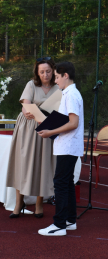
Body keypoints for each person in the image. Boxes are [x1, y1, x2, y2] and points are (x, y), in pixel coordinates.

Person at [6, 57, 59, 218]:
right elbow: (26, 105)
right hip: (28, 129)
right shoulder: (31, 85)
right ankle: (18, 203)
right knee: (22, 164)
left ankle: (39, 203)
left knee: (42, 165)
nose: (45, 74)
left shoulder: (58, 88)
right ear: (37, 72)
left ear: (53, 71)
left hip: (47, 129)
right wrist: (26, 110)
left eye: (48, 71)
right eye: (42, 71)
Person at [37, 61, 84, 236]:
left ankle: (59, 225)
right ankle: (70, 220)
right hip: (68, 145)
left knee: (61, 184)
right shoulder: (69, 93)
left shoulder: (70, 94)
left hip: (68, 146)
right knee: (67, 183)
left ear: (66, 75)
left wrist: (51, 131)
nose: (55, 80)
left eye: (57, 76)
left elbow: (73, 123)